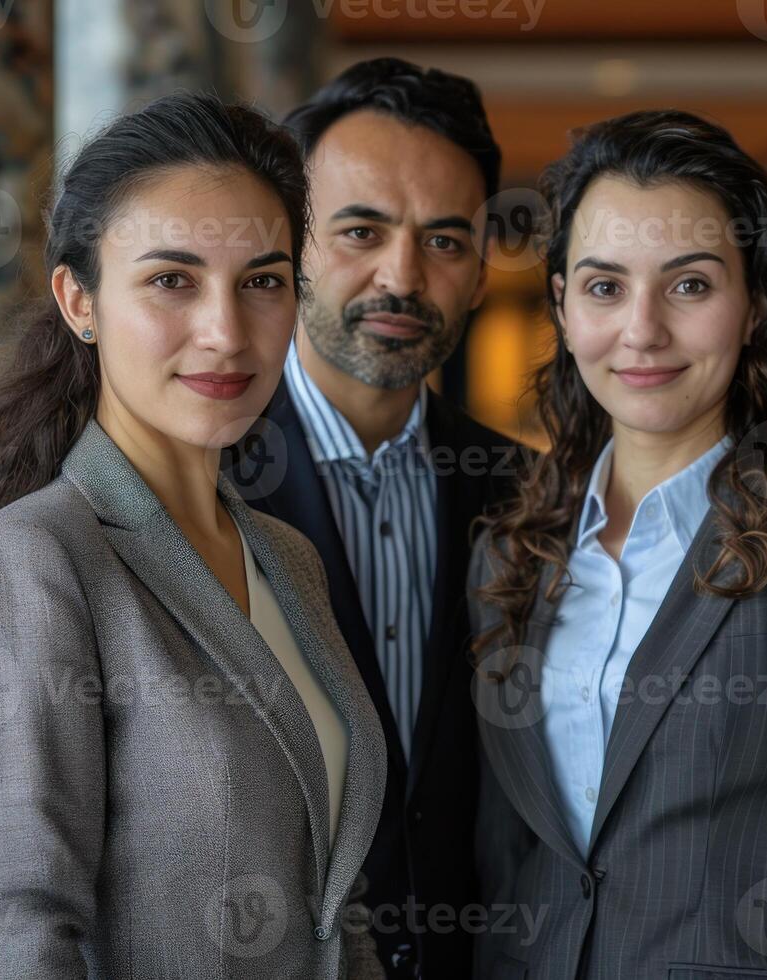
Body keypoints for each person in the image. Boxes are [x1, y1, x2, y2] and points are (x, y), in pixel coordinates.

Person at [0, 91, 386, 979]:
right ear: (79, 300)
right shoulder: (31, 563)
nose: (225, 332)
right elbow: (12, 936)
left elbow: (337, 903)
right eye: (171, 280)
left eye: (262, 281)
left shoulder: (287, 560)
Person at [467, 109, 767, 979]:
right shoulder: (510, 556)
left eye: (689, 286)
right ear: (563, 306)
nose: (641, 330)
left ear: (753, 305)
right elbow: (508, 867)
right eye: (605, 287)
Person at [227, 58, 516, 978]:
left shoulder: (536, 497)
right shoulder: (200, 483)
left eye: (445, 240)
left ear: (478, 266)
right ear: (288, 245)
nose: (402, 275)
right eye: (361, 230)